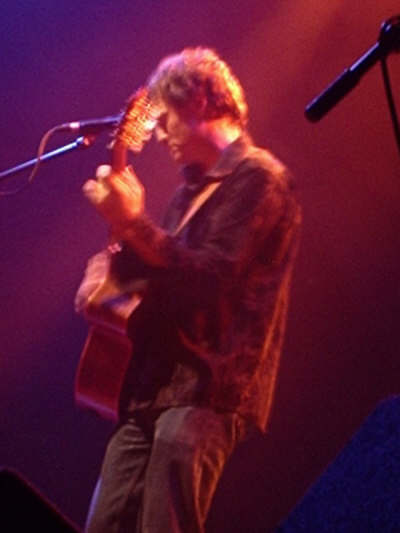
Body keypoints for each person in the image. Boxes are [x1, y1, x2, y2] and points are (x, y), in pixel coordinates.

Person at [75, 47, 302, 533]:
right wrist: (105, 275)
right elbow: (162, 277)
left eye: (165, 120)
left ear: (197, 101)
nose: (159, 134)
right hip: (150, 388)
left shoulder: (261, 179)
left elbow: (210, 280)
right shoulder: (186, 194)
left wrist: (135, 223)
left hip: (206, 389)